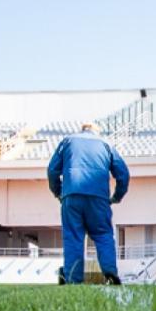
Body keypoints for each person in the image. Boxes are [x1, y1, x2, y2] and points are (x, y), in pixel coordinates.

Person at [46, 122, 129, 284]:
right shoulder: (106, 144)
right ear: (96, 131)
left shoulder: (68, 141)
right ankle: (110, 272)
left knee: (73, 237)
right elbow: (123, 173)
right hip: (99, 198)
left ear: (82, 129)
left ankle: (73, 279)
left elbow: (52, 170)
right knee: (103, 234)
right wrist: (117, 197)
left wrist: (58, 192)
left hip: (72, 195)